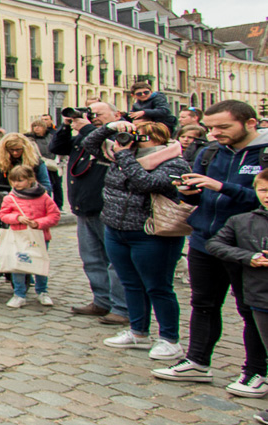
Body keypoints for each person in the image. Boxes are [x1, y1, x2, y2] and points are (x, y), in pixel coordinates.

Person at [153, 99, 268, 390]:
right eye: (212, 127)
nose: (215, 133)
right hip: (205, 239)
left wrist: (221, 187)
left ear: (250, 123)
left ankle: (257, 371)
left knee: (251, 309)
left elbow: (261, 199)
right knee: (203, 303)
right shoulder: (209, 151)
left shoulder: (264, 154)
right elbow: (201, 198)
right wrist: (188, 192)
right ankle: (197, 362)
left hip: (247, 246)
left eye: (224, 127)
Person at [95, 121, 190, 358]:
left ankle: (169, 338)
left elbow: (145, 183)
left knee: (158, 287)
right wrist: (110, 127)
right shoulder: (119, 156)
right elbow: (90, 143)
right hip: (116, 229)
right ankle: (138, 332)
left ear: (157, 138)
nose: (134, 139)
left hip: (152, 234)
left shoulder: (174, 161)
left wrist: (126, 155)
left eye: (140, 136)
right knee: (131, 284)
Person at [55, 104, 127, 325]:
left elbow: (109, 148)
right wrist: (66, 127)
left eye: (98, 115)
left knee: (115, 261)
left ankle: (121, 307)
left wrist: (86, 128)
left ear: (116, 116)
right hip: (84, 206)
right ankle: (102, 301)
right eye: (90, 114)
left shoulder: (122, 134)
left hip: (108, 209)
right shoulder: (83, 136)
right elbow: (56, 146)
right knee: (92, 259)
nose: (93, 118)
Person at [204, 170, 268, 402]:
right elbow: (215, 244)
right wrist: (248, 256)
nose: (267, 196)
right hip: (260, 296)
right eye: (263, 190)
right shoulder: (242, 221)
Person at [0, 165, 59, 308]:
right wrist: (17, 218)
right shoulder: (10, 198)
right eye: (13, 181)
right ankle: (19, 294)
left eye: (20, 180)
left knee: (39, 263)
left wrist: (38, 223)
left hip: (39, 236)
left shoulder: (43, 197)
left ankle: (42, 291)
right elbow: (3, 215)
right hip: (18, 237)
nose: (16, 184)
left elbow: (54, 215)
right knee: (18, 265)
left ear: (30, 180)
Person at [0, 132, 53, 196]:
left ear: (25, 148)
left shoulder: (35, 162)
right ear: (5, 149)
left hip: (27, 197)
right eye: (11, 149)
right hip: (2, 196)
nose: (15, 153)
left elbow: (46, 185)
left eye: (18, 149)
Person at [28, 117, 64, 210]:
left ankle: (58, 206)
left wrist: (59, 161)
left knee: (57, 185)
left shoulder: (52, 137)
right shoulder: (30, 139)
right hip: (39, 165)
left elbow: (59, 148)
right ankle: (45, 205)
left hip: (54, 164)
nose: (37, 128)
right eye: (34, 126)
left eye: (39, 126)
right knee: (44, 186)